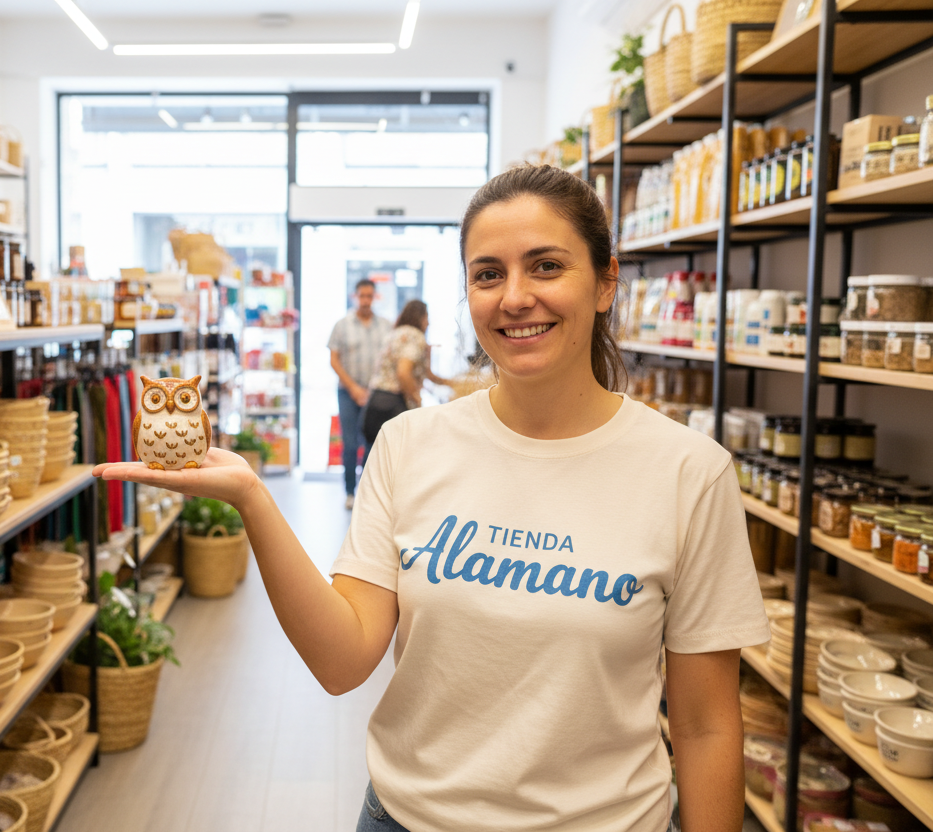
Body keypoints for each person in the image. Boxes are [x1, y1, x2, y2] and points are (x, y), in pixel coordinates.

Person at [96, 164, 769, 832]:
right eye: (488, 274)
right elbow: (342, 660)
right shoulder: (410, 444)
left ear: (605, 283)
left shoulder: (689, 473)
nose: (513, 296)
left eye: (545, 266)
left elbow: (707, 728)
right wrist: (253, 498)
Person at [328, 278, 391, 509]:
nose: (365, 301)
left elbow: (390, 361)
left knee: (373, 443)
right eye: (362, 296)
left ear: (374, 298)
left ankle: (366, 490)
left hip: (375, 394)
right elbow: (334, 360)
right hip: (347, 392)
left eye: (369, 296)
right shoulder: (342, 325)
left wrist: (372, 389)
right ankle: (349, 492)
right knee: (351, 443)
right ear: (355, 297)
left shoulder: (386, 326)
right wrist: (354, 388)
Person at [361, 298, 450, 450]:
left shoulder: (394, 334)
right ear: (420, 317)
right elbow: (403, 372)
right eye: (427, 318)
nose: (428, 323)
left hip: (375, 401)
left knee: (372, 460)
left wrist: (453, 383)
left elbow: (427, 374)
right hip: (395, 404)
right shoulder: (414, 336)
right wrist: (416, 398)